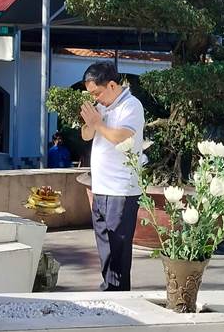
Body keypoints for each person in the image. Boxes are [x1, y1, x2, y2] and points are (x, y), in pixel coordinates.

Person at [80, 62, 144, 292]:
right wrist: (91, 123)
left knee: (118, 249)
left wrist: (98, 123)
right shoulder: (102, 106)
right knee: (105, 248)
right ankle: (108, 290)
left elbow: (121, 137)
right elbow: (86, 135)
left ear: (112, 85)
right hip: (100, 187)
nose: (95, 98)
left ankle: (119, 294)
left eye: (97, 93)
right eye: (91, 95)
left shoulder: (131, 105)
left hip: (120, 190)